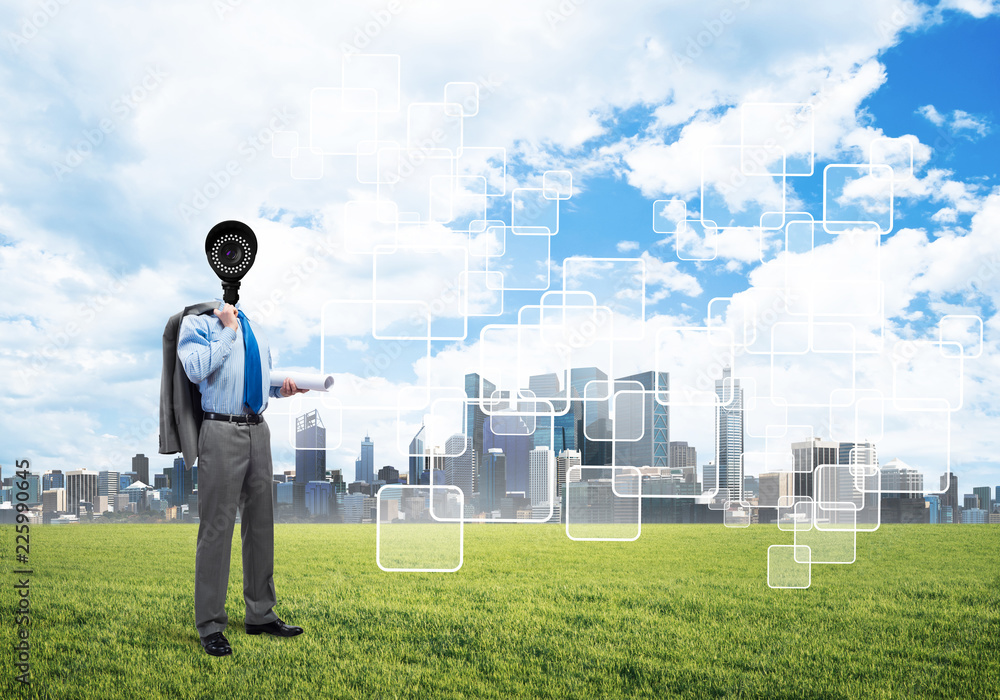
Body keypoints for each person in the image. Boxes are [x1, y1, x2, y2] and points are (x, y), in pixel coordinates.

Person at [177, 299, 308, 657]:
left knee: (261, 525)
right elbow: (195, 369)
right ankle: (210, 626)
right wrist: (227, 330)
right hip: (220, 429)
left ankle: (261, 614)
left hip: (258, 431)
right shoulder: (199, 325)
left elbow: (257, 381)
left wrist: (280, 390)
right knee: (217, 529)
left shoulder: (258, 330)